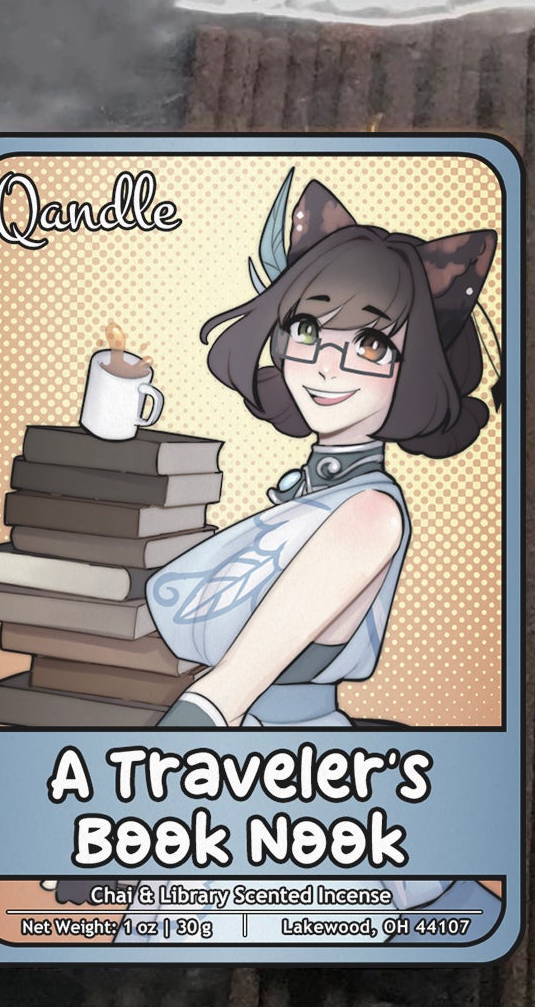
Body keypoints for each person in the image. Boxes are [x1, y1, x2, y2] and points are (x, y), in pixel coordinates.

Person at [145, 172, 498, 733]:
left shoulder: (370, 514)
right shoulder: (314, 496)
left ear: (416, 369)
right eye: (307, 330)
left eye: (370, 344)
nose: (326, 366)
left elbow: (220, 698)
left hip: (294, 759)